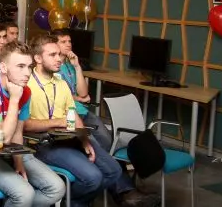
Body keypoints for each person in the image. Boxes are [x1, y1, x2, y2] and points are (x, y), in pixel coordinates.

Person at [24, 35, 156, 207]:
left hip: (70, 138)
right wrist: (59, 122)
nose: (59, 59)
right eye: (52, 55)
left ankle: (73, 201)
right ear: (38, 58)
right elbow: (25, 125)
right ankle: (72, 202)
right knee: (93, 177)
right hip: (44, 143)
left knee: (114, 170)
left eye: (59, 54)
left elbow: (73, 115)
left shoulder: (60, 83)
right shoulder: (27, 84)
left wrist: (85, 140)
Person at [0, 41, 65, 207]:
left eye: (29, 67)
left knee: (56, 188)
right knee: (25, 193)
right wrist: (14, 99)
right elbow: (3, 138)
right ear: (3, 67)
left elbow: (17, 131)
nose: (27, 73)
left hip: (10, 151)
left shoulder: (24, 91)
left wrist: (18, 162)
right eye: (20, 66)